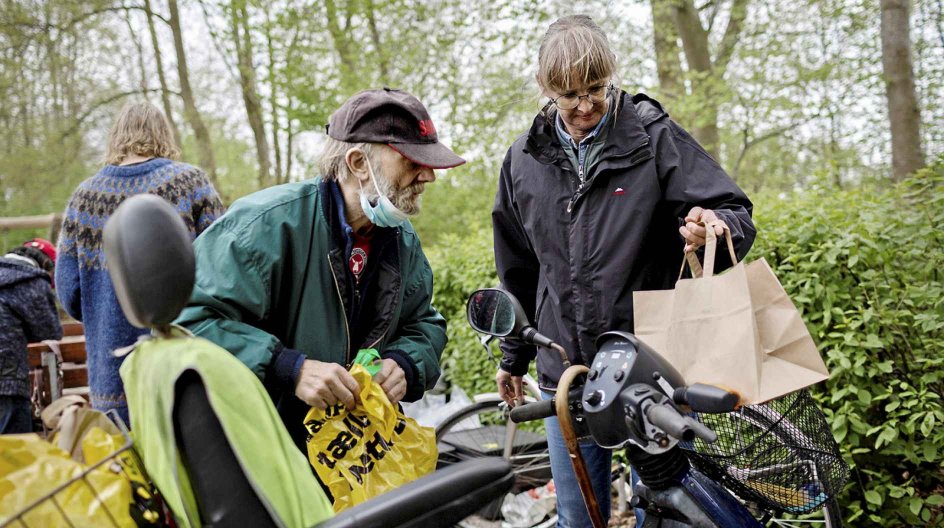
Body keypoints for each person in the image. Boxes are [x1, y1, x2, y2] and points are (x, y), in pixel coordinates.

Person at [491, 15, 757, 527]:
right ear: (545, 89)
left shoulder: (653, 136)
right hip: (565, 374)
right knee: (577, 518)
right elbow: (518, 271)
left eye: (595, 88)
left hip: (649, 370)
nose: (585, 104)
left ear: (611, 75)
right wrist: (515, 356)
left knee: (666, 513)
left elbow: (733, 211)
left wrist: (711, 224)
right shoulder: (521, 161)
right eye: (569, 94)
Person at [175, 88, 464, 452]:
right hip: (260, 450)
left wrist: (405, 363)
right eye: (412, 162)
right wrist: (288, 367)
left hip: (347, 453)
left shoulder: (401, 238)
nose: (429, 177)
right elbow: (187, 321)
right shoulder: (262, 227)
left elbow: (424, 322)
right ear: (359, 163)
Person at [56, 102, 224, 424]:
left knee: (126, 467)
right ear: (163, 134)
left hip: (111, 377)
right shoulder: (190, 183)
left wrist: (105, 310)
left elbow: (69, 293)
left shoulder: (84, 198)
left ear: (116, 138)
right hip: (184, 365)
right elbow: (223, 267)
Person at [0, 239, 62, 434]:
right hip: (7, 384)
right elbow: (50, 332)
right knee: (15, 455)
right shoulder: (33, 282)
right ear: (46, 266)